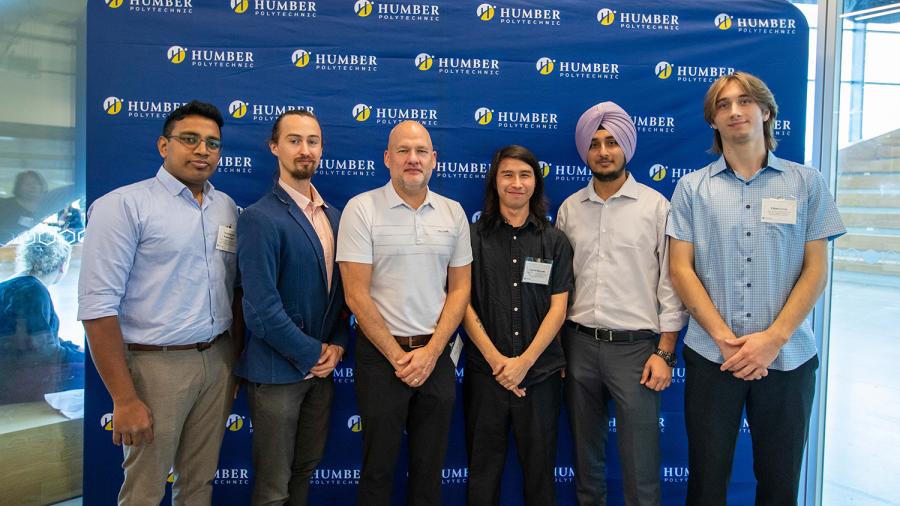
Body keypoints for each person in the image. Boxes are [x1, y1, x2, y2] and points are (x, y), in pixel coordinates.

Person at [667, 72, 846, 505]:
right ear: (713, 120)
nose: (734, 111)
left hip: (788, 358)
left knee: (780, 483)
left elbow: (816, 270)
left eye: (744, 102)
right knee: (706, 483)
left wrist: (772, 340)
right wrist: (726, 342)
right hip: (715, 359)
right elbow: (681, 270)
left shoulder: (807, 183)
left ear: (765, 111)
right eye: (723, 105)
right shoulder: (692, 188)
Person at [78, 100, 242, 505]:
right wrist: (124, 398)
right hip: (155, 368)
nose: (202, 150)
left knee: (199, 483)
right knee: (145, 490)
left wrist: (234, 360)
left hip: (218, 361)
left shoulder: (226, 208)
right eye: (190, 139)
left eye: (212, 143)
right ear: (163, 145)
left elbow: (233, 289)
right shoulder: (124, 206)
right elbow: (97, 307)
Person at [557, 101, 687, 506]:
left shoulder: (656, 207)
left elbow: (671, 284)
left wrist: (665, 352)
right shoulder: (569, 210)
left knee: (641, 466)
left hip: (637, 352)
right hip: (578, 346)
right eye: (594, 143)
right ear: (585, 151)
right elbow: (559, 288)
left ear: (626, 147)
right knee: (585, 459)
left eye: (612, 142)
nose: (603, 151)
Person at [337, 120, 472, 505]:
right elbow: (355, 295)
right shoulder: (361, 209)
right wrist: (399, 358)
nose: (413, 159)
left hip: (436, 357)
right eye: (403, 151)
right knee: (378, 469)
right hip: (382, 359)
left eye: (421, 152)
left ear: (434, 160)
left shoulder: (453, 213)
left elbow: (460, 289)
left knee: (429, 470)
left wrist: (430, 355)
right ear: (387, 158)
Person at [235, 109, 349, 506]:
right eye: (295, 140)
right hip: (277, 374)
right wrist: (312, 352)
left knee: (304, 471)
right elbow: (261, 309)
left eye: (313, 141)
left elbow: (341, 298)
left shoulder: (336, 217)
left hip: (322, 373)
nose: (305, 150)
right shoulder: (258, 218)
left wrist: (336, 344)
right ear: (274, 147)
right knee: (272, 487)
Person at [462, 145, 573, 506]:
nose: (516, 183)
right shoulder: (471, 237)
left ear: (535, 184)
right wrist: (499, 362)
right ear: (495, 182)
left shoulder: (554, 241)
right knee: (482, 476)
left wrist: (523, 362)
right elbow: (461, 303)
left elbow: (559, 309)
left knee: (541, 478)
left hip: (539, 377)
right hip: (485, 377)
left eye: (525, 175)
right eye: (507, 174)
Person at [0, 226, 83, 405]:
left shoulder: (7, 285)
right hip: (17, 380)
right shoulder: (33, 291)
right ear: (63, 265)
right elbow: (44, 351)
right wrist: (84, 358)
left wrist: (73, 347)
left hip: (8, 373)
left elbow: (38, 336)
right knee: (93, 372)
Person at [0, 170, 49, 245]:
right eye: (28, 184)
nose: (33, 187)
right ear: (18, 187)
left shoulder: (49, 206)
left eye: (36, 183)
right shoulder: (4, 206)